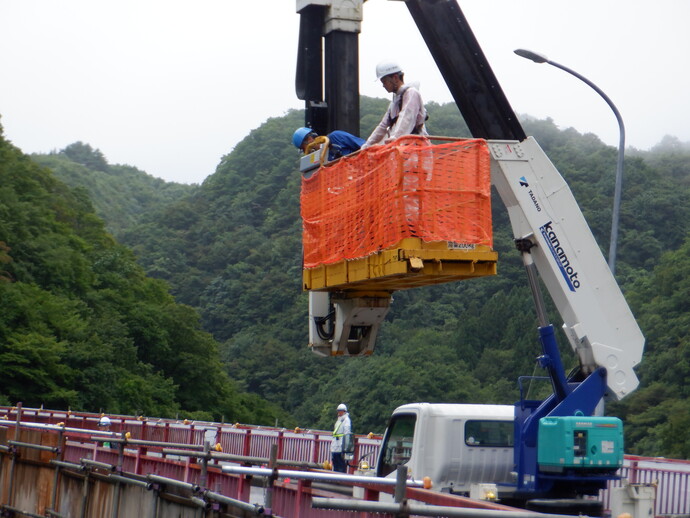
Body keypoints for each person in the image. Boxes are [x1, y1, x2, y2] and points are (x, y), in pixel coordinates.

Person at [361, 61, 428, 149]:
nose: (383, 85)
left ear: (395, 78)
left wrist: (395, 138)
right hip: (402, 149)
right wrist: (366, 145)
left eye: (384, 81)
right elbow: (382, 126)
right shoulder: (394, 102)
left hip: (416, 149)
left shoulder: (411, 93)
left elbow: (406, 118)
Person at [292, 127, 365, 161]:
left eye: (303, 148)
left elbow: (366, 147)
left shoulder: (336, 137)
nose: (306, 152)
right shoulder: (319, 160)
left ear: (309, 139)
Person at [330, 403, 352, 473]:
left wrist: (345, 445)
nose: (339, 412)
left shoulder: (346, 420)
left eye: (341, 411)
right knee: (335, 461)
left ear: (344, 411)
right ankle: (335, 476)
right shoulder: (339, 420)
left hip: (341, 444)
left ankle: (340, 477)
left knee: (340, 462)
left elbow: (347, 433)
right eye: (338, 411)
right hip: (336, 444)